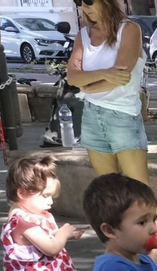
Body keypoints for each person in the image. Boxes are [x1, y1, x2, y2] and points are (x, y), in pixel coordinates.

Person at [64, 0, 147, 184]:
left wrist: (87, 87)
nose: (85, 8)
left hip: (123, 115)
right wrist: (104, 73)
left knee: (139, 189)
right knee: (108, 189)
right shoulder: (83, 35)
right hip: (91, 115)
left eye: (89, 3)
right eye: (81, 4)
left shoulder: (129, 29)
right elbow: (72, 77)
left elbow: (121, 77)